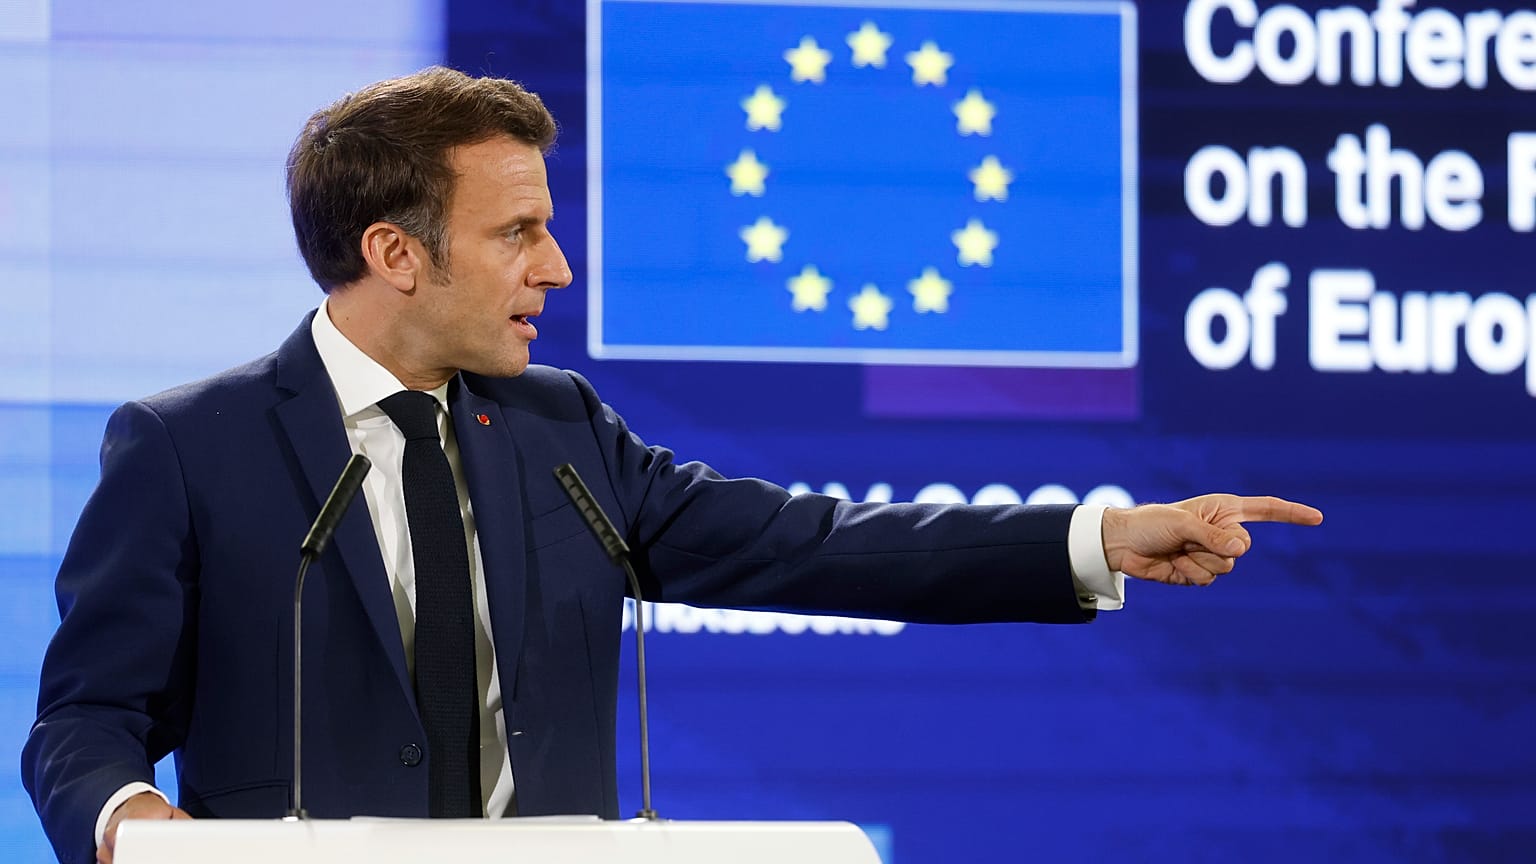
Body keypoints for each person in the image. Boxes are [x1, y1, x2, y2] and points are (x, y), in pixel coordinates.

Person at [21, 66, 1323, 864]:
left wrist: (1095, 538)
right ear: (395, 251)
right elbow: (86, 718)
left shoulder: (559, 432)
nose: (557, 268)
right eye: (519, 232)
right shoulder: (190, 447)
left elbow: (813, 544)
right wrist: (131, 820)